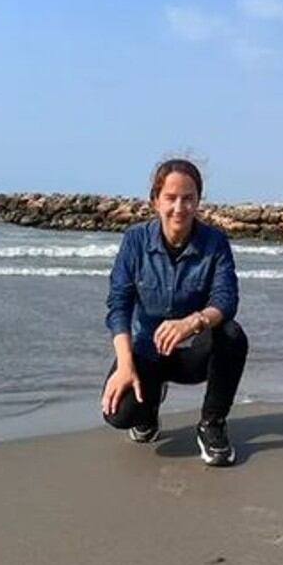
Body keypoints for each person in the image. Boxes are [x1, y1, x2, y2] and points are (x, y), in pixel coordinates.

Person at [101, 158, 248, 467]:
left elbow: (226, 300)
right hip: (147, 352)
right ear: (155, 201)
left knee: (232, 334)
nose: (179, 208)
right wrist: (125, 365)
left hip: (193, 355)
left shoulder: (215, 243)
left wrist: (192, 322)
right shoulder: (135, 241)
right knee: (120, 414)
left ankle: (212, 424)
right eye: (170, 198)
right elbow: (118, 305)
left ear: (198, 201)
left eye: (188, 198)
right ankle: (149, 406)